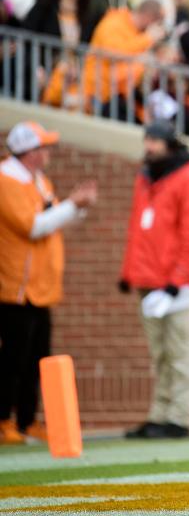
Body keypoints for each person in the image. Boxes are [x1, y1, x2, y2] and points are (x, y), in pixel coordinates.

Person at [0, 122, 96, 445]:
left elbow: (53, 216)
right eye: (42, 147)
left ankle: (27, 420)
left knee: (37, 358)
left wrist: (76, 208)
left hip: (40, 287)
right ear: (28, 152)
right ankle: (4, 420)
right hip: (16, 287)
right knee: (12, 358)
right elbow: (33, 226)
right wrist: (73, 205)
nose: (47, 152)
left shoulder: (38, 180)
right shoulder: (6, 180)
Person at [120, 121, 189, 440]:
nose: (148, 147)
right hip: (147, 279)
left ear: (170, 144)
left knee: (179, 350)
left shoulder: (188, 176)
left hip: (176, 283)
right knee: (158, 353)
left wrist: (178, 279)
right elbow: (137, 228)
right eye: (147, 140)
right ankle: (159, 413)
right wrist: (128, 272)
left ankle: (178, 416)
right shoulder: (146, 176)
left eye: (155, 141)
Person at [82, 0, 167, 118]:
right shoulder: (114, 21)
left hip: (116, 96)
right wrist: (148, 38)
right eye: (157, 22)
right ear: (149, 17)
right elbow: (112, 52)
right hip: (96, 92)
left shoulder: (138, 33)